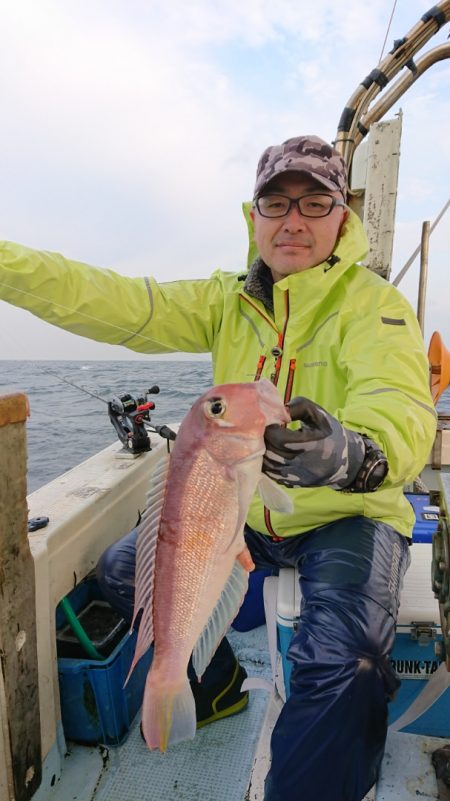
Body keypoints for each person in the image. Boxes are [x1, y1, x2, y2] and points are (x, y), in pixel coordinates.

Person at [0, 135, 436, 801]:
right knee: (120, 573)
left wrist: (351, 451)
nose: (293, 219)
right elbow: (110, 299)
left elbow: (403, 407)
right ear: (252, 217)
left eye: (315, 203)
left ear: (342, 218)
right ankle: (220, 683)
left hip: (349, 514)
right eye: (276, 202)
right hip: (244, 509)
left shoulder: (373, 306)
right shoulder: (225, 300)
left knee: (346, 659)